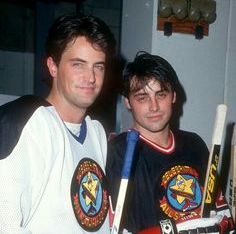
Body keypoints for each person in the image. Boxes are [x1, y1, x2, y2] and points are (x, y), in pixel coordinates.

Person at [0, 14, 116, 233]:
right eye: (78, 65)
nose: (90, 77)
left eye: (98, 66)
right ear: (53, 66)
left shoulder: (96, 132)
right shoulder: (26, 123)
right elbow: (5, 225)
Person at [106, 52, 235, 233]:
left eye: (161, 94)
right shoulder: (116, 153)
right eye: (142, 97)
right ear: (128, 102)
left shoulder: (194, 144)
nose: (154, 106)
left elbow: (221, 214)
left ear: (173, 96)